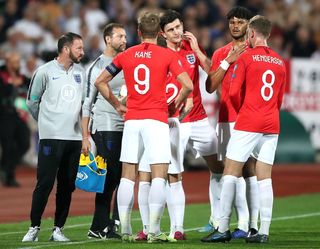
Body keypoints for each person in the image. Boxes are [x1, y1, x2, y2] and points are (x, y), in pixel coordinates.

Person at [94, 12, 193, 243]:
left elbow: (100, 81)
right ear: (159, 32)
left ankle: (126, 229)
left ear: (138, 32)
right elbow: (187, 85)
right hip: (156, 120)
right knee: (159, 176)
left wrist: (118, 105)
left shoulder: (126, 54)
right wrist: (175, 105)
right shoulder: (167, 54)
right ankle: (154, 230)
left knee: (128, 176)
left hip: (132, 121)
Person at [206, 15, 286, 243]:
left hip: (249, 120)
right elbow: (280, 99)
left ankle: (222, 228)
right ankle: (263, 232)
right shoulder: (280, 61)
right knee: (265, 178)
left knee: (230, 172)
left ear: (251, 33)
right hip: (271, 123)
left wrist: (248, 108)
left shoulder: (246, 57)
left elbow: (231, 93)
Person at [159, 9, 223, 238]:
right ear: (163, 33)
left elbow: (212, 73)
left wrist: (196, 49)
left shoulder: (190, 49)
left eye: (178, 27)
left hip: (199, 118)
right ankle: (177, 228)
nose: (177, 32)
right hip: (174, 122)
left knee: (220, 168)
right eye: (171, 30)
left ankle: (217, 220)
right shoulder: (160, 54)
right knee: (173, 175)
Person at [202, 6, 259, 241]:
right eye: (232, 22)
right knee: (233, 173)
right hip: (226, 119)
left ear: (249, 25)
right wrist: (227, 61)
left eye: (240, 22)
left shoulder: (256, 52)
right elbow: (210, 86)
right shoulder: (220, 53)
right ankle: (242, 224)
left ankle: (250, 225)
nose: (235, 26)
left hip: (248, 119)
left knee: (249, 171)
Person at [22, 32, 85, 242]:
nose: (82, 52)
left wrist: (85, 135)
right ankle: (34, 227)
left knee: (67, 185)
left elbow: (84, 105)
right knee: (45, 183)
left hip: (74, 138)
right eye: (79, 48)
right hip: (51, 137)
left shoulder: (81, 72)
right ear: (66, 49)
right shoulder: (44, 71)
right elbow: (31, 101)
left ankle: (58, 229)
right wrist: (45, 123)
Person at [81, 23, 127, 240]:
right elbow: (86, 103)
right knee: (109, 175)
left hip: (127, 124)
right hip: (105, 123)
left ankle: (112, 224)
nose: (124, 39)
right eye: (119, 36)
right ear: (108, 39)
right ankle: (99, 226)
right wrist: (85, 135)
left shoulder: (128, 61)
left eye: (125, 35)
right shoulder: (96, 66)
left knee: (122, 177)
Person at [0, 51, 31, 187]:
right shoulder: (1, 76)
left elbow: (32, 86)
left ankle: (5, 167)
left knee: (24, 143)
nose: (17, 64)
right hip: (4, 115)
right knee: (8, 146)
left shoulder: (23, 78)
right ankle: (9, 175)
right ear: (7, 62)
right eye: (14, 62)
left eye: (18, 62)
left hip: (20, 116)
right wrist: (12, 86)